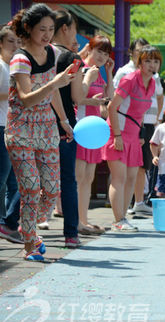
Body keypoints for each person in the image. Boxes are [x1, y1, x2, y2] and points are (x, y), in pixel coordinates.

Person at [7, 4, 76, 261]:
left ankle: (29, 228)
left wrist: (64, 121)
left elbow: (54, 92)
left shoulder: (51, 52)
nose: (47, 35)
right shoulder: (20, 59)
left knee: (51, 189)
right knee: (31, 189)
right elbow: (26, 99)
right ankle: (30, 245)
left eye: (50, 29)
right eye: (42, 29)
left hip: (47, 129)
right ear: (28, 29)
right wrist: (53, 83)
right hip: (21, 130)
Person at [51, 9, 100, 246]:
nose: (76, 35)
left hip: (38, 124)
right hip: (65, 127)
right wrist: (89, 78)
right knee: (68, 180)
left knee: (34, 179)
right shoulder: (72, 59)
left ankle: (22, 228)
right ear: (65, 29)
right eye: (75, 29)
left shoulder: (41, 54)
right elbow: (78, 97)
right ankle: (71, 233)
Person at [103, 45, 162, 232]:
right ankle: (118, 219)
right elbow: (112, 107)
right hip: (117, 131)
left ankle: (123, 217)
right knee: (119, 178)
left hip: (134, 134)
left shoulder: (152, 83)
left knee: (131, 177)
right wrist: (117, 136)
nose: (152, 65)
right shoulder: (129, 79)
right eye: (147, 61)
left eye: (155, 61)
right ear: (139, 62)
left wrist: (140, 134)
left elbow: (142, 113)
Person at [75, 35, 114, 235]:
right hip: (80, 127)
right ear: (89, 49)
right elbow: (77, 98)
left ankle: (83, 220)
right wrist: (94, 102)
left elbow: (111, 99)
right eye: (99, 50)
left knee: (88, 178)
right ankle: (74, 221)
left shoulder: (99, 73)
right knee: (77, 176)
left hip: (94, 131)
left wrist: (109, 72)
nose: (101, 56)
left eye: (105, 53)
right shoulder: (82, 68)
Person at [0, 24, 22, 244]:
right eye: (10, 42)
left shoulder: (13, 67)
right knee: (3, 179)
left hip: (12, 128)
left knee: (14, 182)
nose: (15, 46)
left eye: (18, 42)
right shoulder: (1, 66)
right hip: (1, 127)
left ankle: (8, 225)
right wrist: (19, 93)